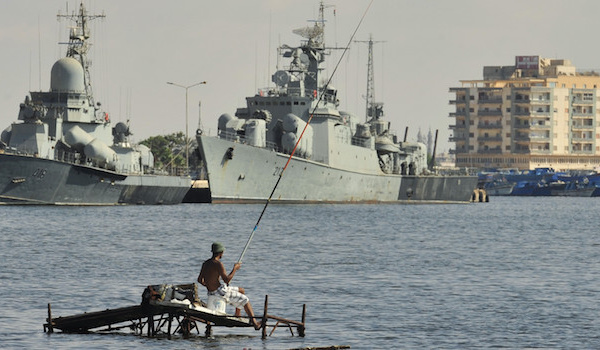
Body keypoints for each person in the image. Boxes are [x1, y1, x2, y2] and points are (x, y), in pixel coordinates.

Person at [197, 242, 261, 330]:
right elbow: (227, 280)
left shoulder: (206, 263)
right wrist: (235, 269)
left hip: (214, 291)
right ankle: (255, 324)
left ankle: (237, 314)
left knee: (241, 290)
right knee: (245, 300)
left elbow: (200, 280)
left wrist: (209, 285)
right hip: (220, 292)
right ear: (221, 253)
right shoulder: (218, 264)